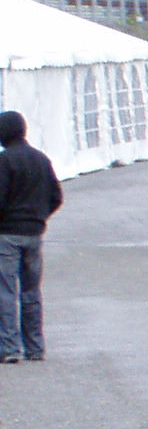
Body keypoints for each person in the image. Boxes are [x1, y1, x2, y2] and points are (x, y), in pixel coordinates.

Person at [0, 112, 63, 364]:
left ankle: (9, 347)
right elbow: (56, 196)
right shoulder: (41, 159)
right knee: (31, 291)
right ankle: (35, 346)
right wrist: (39, 217)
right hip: (34, 234)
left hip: (7, 234)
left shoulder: (5, 161)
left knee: (6, 292)